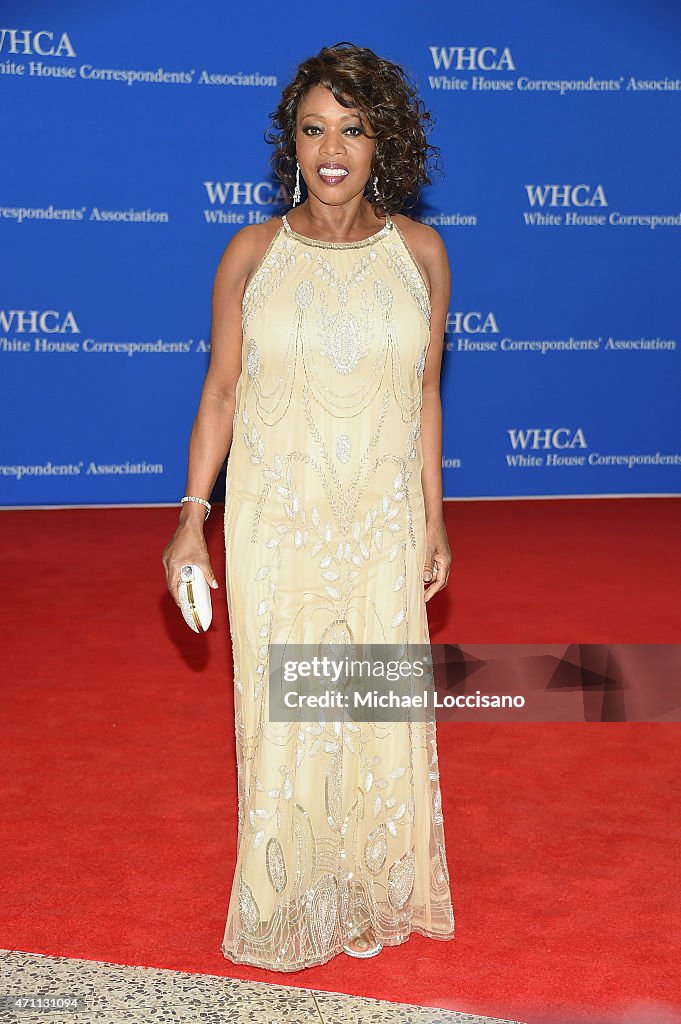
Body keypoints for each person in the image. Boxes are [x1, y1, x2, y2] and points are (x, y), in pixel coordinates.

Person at [162, 41, 456, 971]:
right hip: (276, 520)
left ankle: (370, 881)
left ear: (383, 144)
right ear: (290, 141)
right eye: (314, 128)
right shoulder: (251, 254)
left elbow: (424, 395)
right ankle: (288, 892)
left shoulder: (420, 252)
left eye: (354, 130)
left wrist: (435, 514)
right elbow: (219, 394)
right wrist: (188, 517)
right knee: (287, 712)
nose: (333, 149)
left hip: (376, 518)